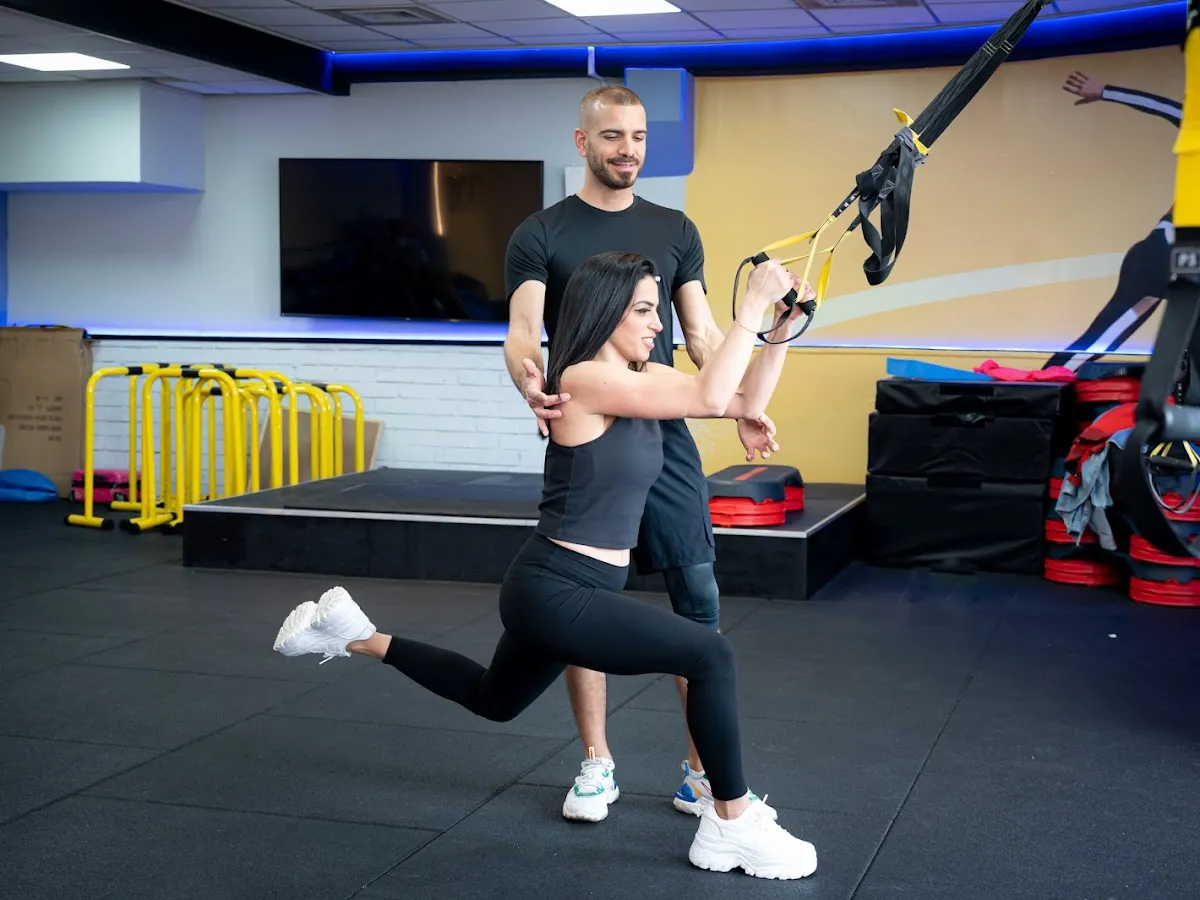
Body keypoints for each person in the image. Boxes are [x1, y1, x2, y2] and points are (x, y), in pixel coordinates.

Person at [272, 249, 819, 880]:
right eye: (644, 310)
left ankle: (357, 637)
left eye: (656, 310)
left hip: (562, 589)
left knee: (493, 699)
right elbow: (711, 390)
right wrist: (750, 304)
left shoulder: (641, 377)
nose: (656, 323)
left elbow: (740, 397)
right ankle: (730, 822)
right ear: (605, 310)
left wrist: (780, 327)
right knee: (709, 655)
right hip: (557, 589)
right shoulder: (585, 378)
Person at [502, 82, 782, 825]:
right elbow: (524, 329)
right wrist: (529, 380)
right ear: (582, 142)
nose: (628, 150)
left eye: (639, 137)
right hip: (594, 430)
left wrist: (739, 399)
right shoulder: (541, 232)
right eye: (612, 136)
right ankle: (597, 760)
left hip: (663, 431)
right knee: (584, 598)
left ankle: (701, 774)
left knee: (700, 601)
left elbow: (702, 336)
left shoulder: (675, 228)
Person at [1043, 70, 1179, 371]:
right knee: (1096, 343)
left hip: (1171, 255)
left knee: (1100, 343)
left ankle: (1044, 383)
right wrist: (1106, 91)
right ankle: (1039, 386)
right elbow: (1171, 110)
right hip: (1167, 252)